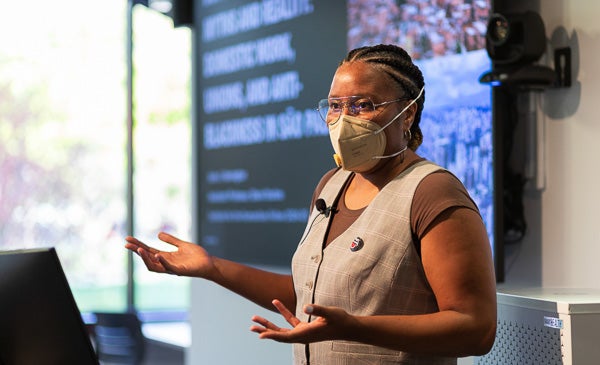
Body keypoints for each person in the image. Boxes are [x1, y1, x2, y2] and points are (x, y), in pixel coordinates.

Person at [125, 44, 497, 364]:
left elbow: (475, 329)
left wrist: (355, 328)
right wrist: (211, 268)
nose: (343, 120)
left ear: (408, 114)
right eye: (335, 106)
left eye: (362, 105)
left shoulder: (432, 191)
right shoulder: (331, 185)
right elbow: (310, 297)